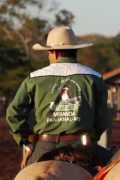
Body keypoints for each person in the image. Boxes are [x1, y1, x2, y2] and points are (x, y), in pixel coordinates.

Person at [6, 26, 111, 168]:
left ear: (54, 52)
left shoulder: (34, 79)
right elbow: (103, 117)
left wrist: (26, 141)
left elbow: (13, 114)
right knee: (115, 166)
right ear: (75, 50)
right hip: (83, 146)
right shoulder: (94, 77)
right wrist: (93, 137)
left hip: (45, 146)